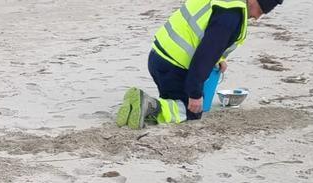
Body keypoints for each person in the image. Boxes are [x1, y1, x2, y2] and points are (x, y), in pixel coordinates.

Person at [115, 0, 284, 129]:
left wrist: (219, 59)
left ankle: (134, 107)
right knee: (191, 112)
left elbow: (201, 34)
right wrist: (195, 94)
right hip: (173, 67)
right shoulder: (231, 16)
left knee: (174, 101)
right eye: (260, 10)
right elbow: (204, 56)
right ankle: (150, 104)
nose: (257, 17)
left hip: (157, 57)